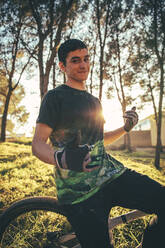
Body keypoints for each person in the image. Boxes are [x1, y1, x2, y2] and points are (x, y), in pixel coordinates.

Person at [32, 39, 165, 248]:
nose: (83, 65)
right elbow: (38, 144)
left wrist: (125, 128)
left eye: (86, 59)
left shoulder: (94, 101)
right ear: (62, 66)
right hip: (80, 195)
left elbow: (99, 140)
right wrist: (62, 158)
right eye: (75, 60)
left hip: (112, 176)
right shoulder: (55, 97)